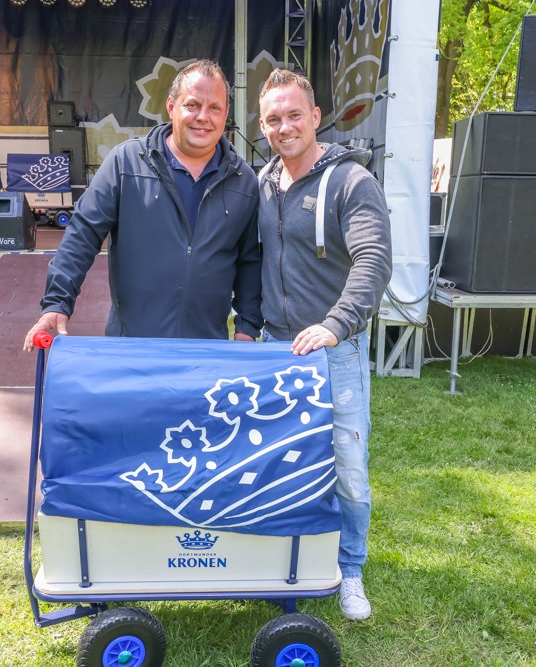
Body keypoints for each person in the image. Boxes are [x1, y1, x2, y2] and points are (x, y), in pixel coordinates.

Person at [256, 68, 392, 621]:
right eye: (272, 118)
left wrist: (335, 324)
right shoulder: (262, 183)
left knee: (346, 466)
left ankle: (350, 569)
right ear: (262, 126)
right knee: (276, 463)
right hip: (274, 351)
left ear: (315, 118)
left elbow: (374, 260)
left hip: (333, 353)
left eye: (294, 115)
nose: (284, 126)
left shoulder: (352, 182)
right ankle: (284, 561)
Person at [23, 59, 261, 350]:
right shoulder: (125, 163)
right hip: (132, 349)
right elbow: (82, 235)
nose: (203, 117)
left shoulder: (244, 180)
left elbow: (250, 260)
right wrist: (57, 302)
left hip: (206, 351)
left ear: (226, 115)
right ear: (171, 107)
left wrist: (247, 327)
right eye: (192, 105)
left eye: (215, 108)